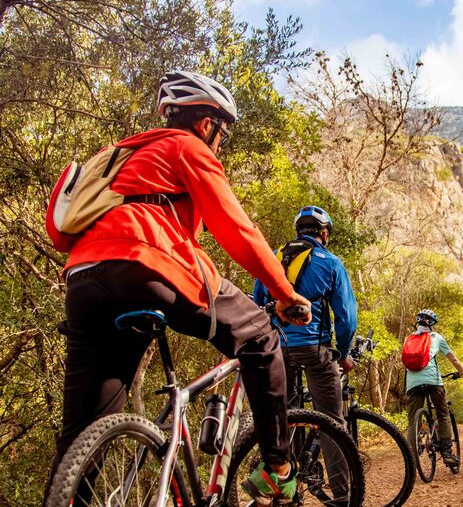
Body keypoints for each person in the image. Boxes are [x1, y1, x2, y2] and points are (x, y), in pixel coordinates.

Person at [44, 71, 310, 504]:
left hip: (83, 279)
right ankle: (279, 468)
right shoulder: (186, 146)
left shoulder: (118, 155)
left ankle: (68, 494)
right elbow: (236, 229)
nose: (220, 142)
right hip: (148, 263)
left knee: (82, 431)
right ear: (207, 124)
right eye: (222, 132)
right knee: (261, 336)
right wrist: (283, 292)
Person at [252, 205, 357, 502]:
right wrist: (343, 353)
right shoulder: (331, 262)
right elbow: (346, 317)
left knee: (285, 417)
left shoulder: (275, 256)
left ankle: (289, 488)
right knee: (331, 422)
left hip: (277, 348)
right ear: (324, 234)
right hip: (315, 348)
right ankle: (342, 497)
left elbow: (258, 301)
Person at [405, 309, 463, 466]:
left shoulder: (409, 339)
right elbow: (452, 358)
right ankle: (447, 452)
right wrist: (462, 371)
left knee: (413, 420)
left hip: (412, 383)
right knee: (443, 414)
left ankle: (412, 453)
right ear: (432, 324)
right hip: (433, 381)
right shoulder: (437, 338)